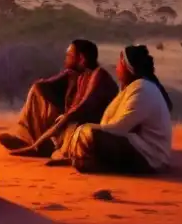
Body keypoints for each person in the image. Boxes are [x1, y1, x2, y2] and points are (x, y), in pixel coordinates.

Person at [53, 45, 174, 174]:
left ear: (127, 66)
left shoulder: (142, 89)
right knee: (79, 129)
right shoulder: (133, 88)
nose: (116, 68)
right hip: (138, 147)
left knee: (87, 133)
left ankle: (86, 160)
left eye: (119, 63)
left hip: (151, 157)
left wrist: (84, 129)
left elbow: (119, 128)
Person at [0, 40, 118, 158]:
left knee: (67, 124)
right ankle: (28, 139)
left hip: (88, 128)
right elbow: (43, 87)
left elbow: (81, 109)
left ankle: (38, 145)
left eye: (69, 56)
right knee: (37, 90)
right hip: (72, 121)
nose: (66, 59)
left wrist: (61, 121)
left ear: (81, 58)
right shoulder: (77, 74)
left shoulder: (98, 75)